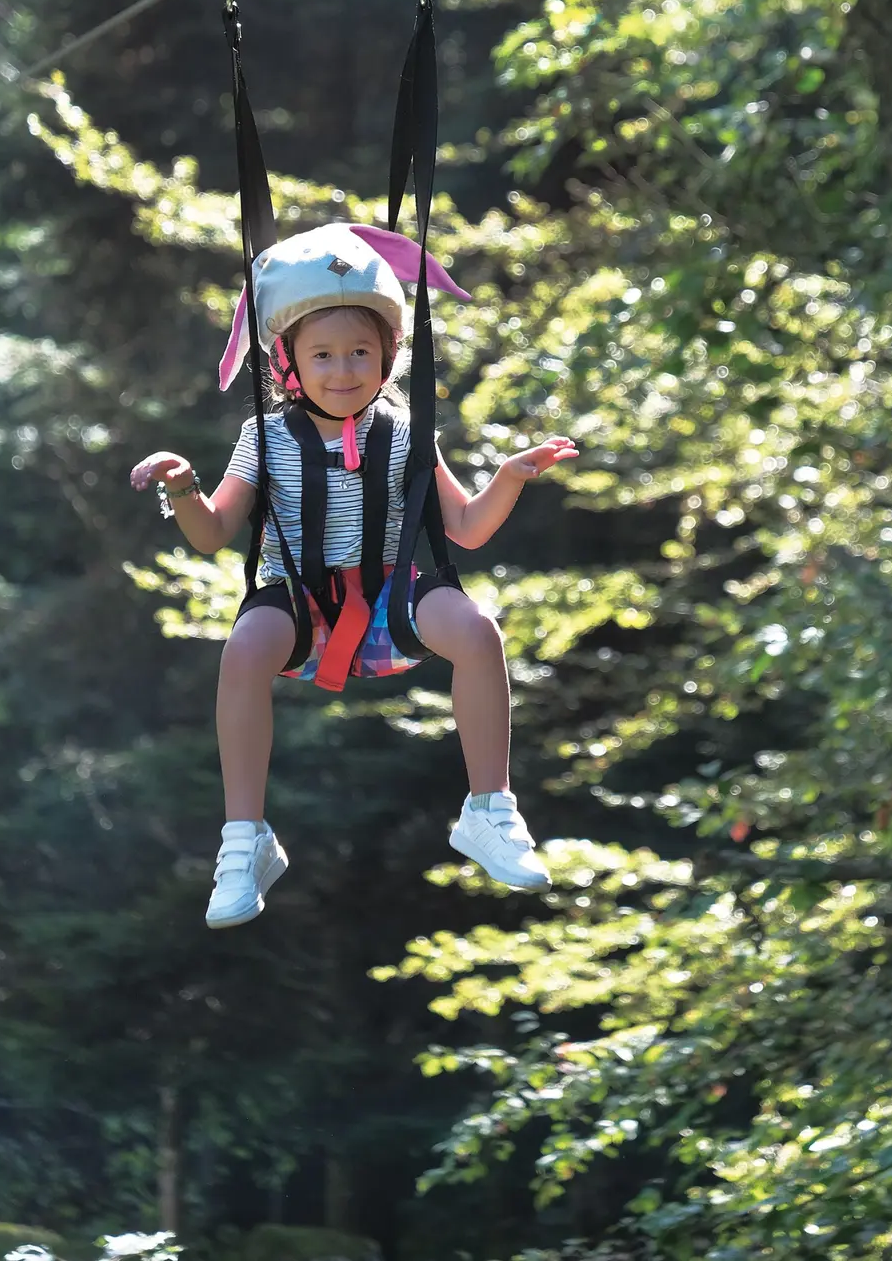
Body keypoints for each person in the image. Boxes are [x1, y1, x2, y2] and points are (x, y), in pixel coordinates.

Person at [130, 223, 577, 929]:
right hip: (299, 601)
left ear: (388, 356)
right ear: (288, 363)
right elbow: (213, 532)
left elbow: (464, 527)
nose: (344, 371)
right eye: (324, 355)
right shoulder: (265, 437)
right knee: (243, 650)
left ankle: (489, 809)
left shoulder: (403, 431)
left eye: (361, 352)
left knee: (478, 632)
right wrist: (184, 487)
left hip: (392, 595)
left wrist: (510, 477)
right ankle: (245, 839)